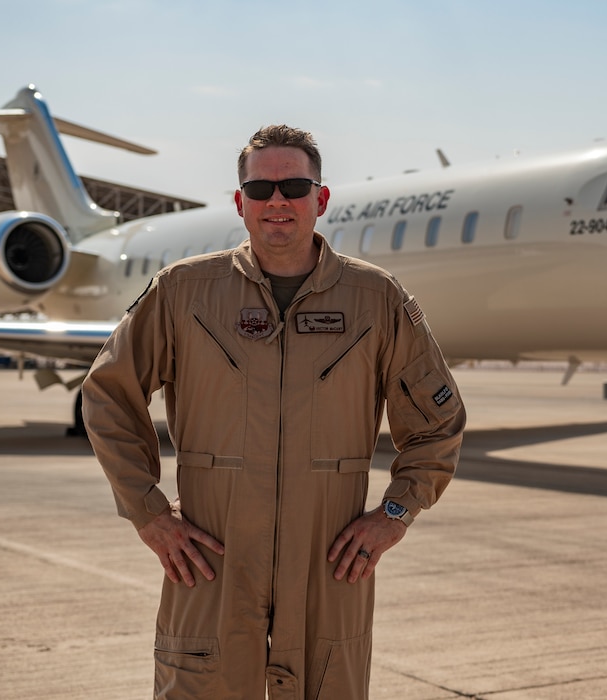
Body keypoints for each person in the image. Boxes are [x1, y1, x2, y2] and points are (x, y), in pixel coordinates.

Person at [82, 124, 466, 699]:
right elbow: (108, 393)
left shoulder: (376, 299)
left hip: (330, 566)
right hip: (211, 561)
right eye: (261, 190)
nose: (277, 201)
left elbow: (438, 424)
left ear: (321, 198)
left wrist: (394, 513)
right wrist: (149, 513)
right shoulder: (185, 292)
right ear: (241, 204)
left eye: (294, 185)